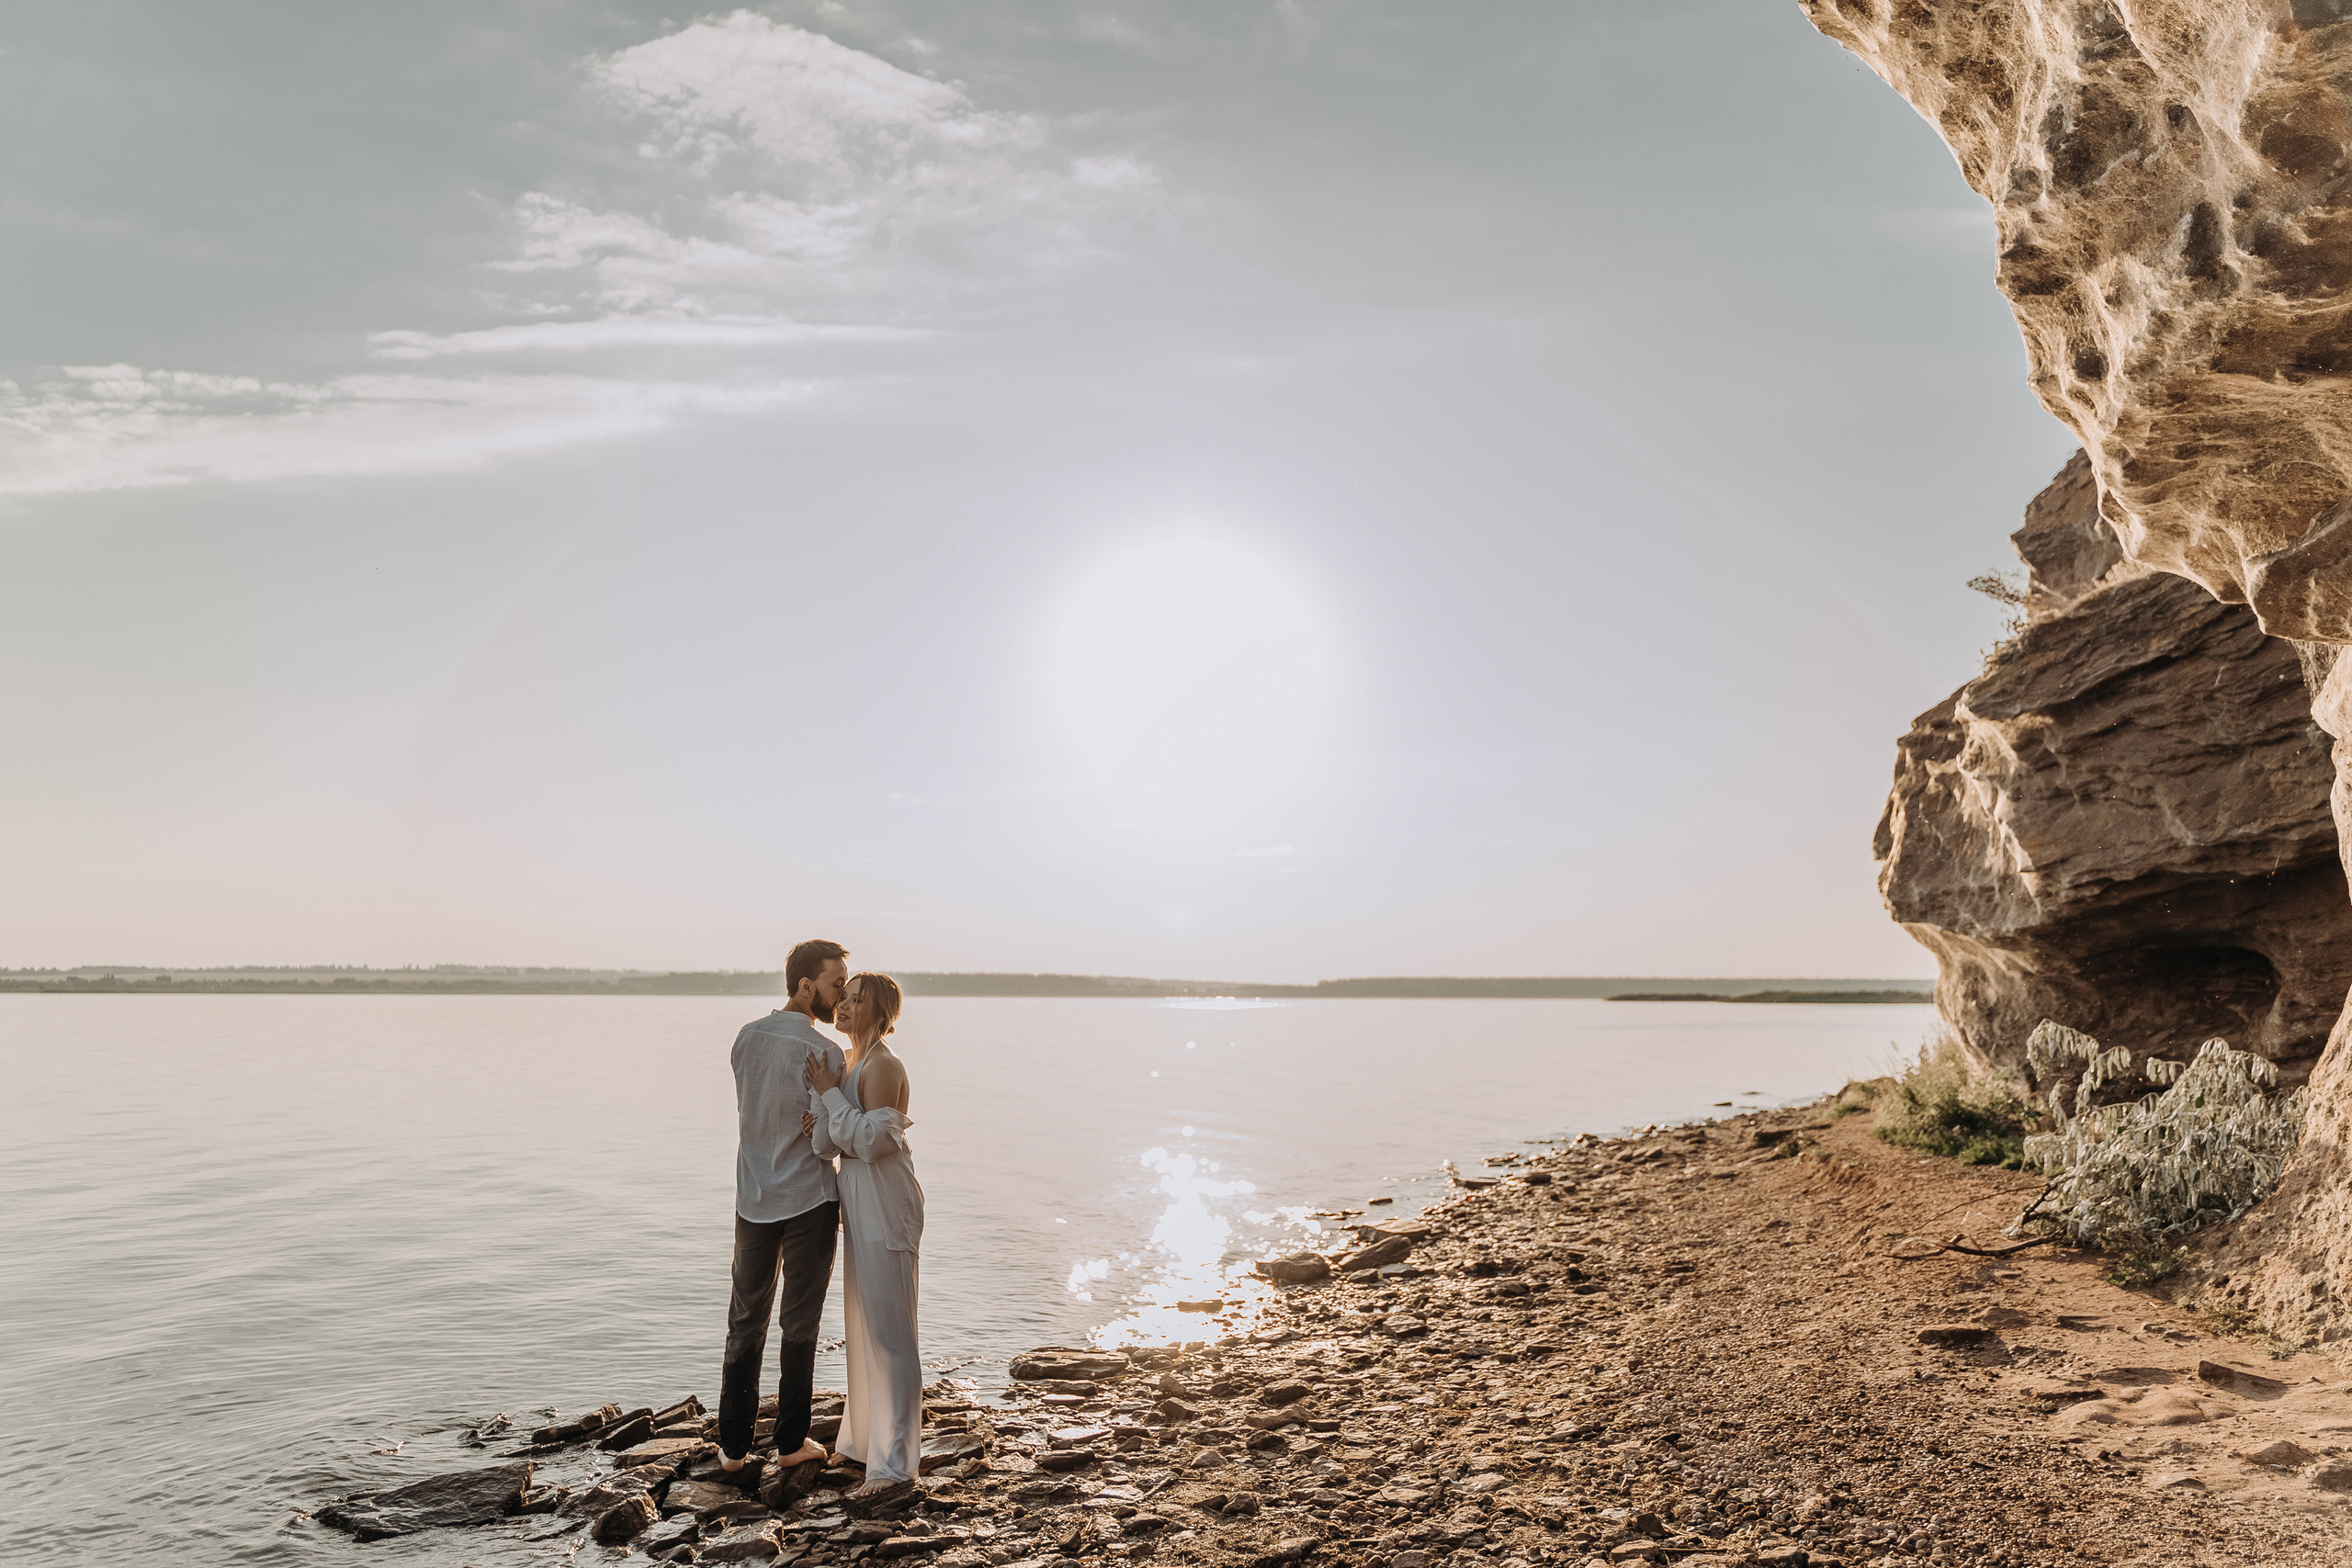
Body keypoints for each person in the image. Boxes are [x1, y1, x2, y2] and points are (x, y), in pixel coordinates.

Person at [718, 939, 851, 1476]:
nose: (841, 995)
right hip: (808, 1200)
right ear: (805, 986)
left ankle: (733, 1448)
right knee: (799, 1322)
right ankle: (791, 1440)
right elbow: (829, 1134)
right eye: (836, 983)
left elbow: (754, 1113)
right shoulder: (827, 1053)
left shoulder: (745, 1038)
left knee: (745, 1320)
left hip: (753, 1196)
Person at [806, 971, 924, 1495]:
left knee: (891, 1334)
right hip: (858, 1203)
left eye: (858, 1001)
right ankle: (860, 1444)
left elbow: (873, 1143)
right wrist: (823, 1105)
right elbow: (827, 1148)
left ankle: (896, 1466)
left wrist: (832, 1101)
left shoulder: (882, 1065)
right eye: (845, 997)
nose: (845, 1006)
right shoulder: (848, 1064)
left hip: (886, 1203)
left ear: (881, 1014)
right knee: (863, 1324)